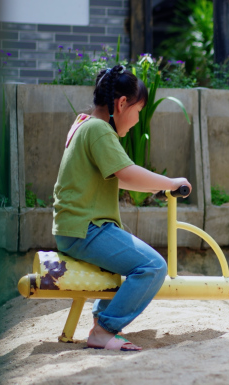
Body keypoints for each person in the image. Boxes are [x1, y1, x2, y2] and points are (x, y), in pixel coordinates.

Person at [52, 65, 192, 351]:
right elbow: (126, 173)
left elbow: (122, 175)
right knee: (152, 266)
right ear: (122, 103)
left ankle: (101, 322)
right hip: (85, 229)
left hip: (75, 227)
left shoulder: (83, 124)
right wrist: (170, 182)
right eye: (139, 110)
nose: (139, 119)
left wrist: (158, 186)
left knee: (130, 254)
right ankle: (104, 330)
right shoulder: (99, 130)